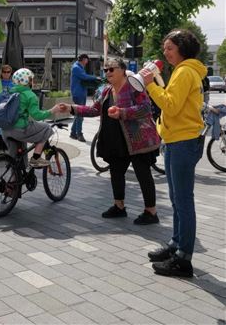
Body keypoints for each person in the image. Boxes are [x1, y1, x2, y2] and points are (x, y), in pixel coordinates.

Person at [139, 29, 207, 278]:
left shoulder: (185, 71)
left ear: (182, 48)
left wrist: (149, 85)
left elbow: (170, 105)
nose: (165, 52)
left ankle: (183, 259)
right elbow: (173, 101)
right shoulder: (185, 71)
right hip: (177, 140)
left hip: (182, 141)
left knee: (183, 201)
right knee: (178, 199)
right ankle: (176, 245)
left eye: (169, 48)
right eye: (165, 47)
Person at [60, 58, 160, 225]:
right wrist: (72, 108)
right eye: (105, 70)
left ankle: (151, 212)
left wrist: (122, 112)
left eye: (111, 69)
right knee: (116, 173)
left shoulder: (134, 85)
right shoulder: (106, 90)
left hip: (137, 139)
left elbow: (145, 109)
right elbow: (94, 110)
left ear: (122, 69)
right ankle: (119, 207)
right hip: (115, 139)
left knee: (143, 174)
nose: (107, 73)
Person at [2, 68, 61, 168]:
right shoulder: (30, 95)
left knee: (14, 161)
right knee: (46, 128)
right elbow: (37, 116)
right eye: (31, 79)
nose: (32, 81)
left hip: (5, 130)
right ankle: (36, 159)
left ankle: (12, 181)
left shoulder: (8, 92)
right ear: (27, 81)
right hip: (19, 130)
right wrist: (52, 110)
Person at [70, 53, 101, 142]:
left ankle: (73, 133)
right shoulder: (76, 67)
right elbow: (84, 77)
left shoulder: (79, 67)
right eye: (87, 60)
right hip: (78, 93)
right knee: (80, 113)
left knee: (78, 113)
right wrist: (95, 77)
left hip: (81, 93)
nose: (87, 62)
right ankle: (79, 134)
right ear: (83, 59)